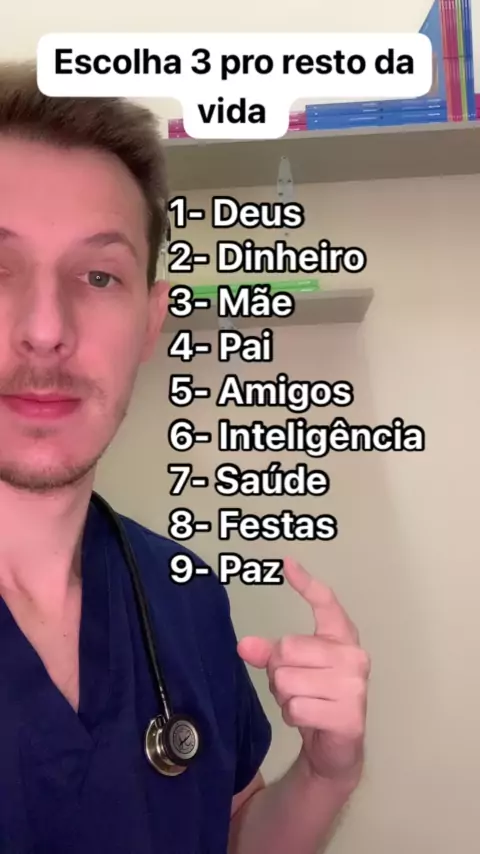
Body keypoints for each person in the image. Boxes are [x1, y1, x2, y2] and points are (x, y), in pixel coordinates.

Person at [0, 61, 370, 854]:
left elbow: (232, 833)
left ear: (149, 321)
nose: (45, 328)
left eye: (99, 275)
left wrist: (325, 772)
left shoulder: (185, 595)